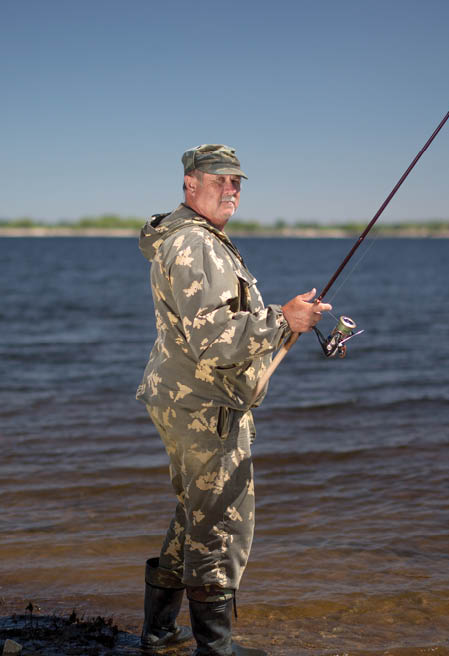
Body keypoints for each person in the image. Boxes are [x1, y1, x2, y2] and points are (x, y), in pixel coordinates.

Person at [135, 144, 330, 655]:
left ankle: (158, 634)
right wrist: (283, 320)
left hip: (186, 398)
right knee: (220, 524)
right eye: (219, 180)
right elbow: (215, 340)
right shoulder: (196, 244)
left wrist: (281, 324)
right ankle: (214, 650)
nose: (230, 190)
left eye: (237, 181)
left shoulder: (188, 238)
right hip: (203, 406)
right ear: (189, 185)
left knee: (196, 513)